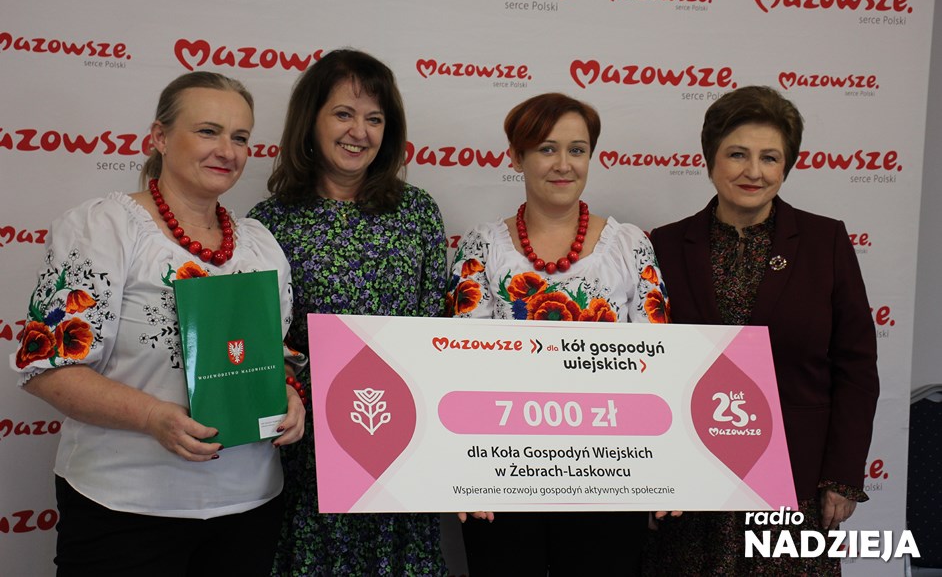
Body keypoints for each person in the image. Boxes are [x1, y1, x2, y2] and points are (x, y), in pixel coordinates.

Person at [9, 71, 305, 575]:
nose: (227, 151)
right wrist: (153, 416)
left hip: (250, 506)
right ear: (160, 137)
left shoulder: (260, 244)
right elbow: (47, 368)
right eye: (208, 131)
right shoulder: (105, 228)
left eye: (240, 138)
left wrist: (288, 393)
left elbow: (268, 353)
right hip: (126, 508)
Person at [645, 85, 880, 575]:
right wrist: (649, 479)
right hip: (691, 487)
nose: (753, 171)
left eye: (769, 158)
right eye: (737, 154)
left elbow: (856, 367)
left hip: (796, 483)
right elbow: (648, 366)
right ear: (710, 159)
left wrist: (841, 476)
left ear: (786, 167)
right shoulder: (665, 244)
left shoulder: (825, 241)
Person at [448, 93, 669, 576]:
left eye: (577, 149)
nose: (564, 164)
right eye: (547, 149)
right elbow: (459, 366)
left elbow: (659, 364)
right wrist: (466, 473)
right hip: (502, 475)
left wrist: (665, 473)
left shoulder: (630, 246)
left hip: (611, 475)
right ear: (516, 157)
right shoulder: (481, 246)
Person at [248, 48, 448, 576]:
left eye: (374, 119)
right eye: (343, 113)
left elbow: (434, 329)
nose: (359, 131)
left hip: (400, 439)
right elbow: (262, 340)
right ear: (310, 120)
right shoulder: (268, 222)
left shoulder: (418, 212)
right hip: (309, 447)